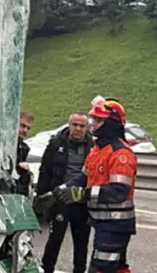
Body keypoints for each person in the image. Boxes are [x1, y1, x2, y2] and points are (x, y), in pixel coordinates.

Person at [34, 96, 137, 273]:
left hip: (115, 225)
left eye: (98, 120)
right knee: (117, 268)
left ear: (112, 123)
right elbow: (82, 178)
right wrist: (57, 193)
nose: (93, 124)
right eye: (94, 119)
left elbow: (119, 191)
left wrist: (83, 194)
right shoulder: (97, 150)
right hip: (103, 222)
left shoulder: (121, 154)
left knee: (101, 268)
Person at [37, 112, 93, 273]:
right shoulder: (55, 143)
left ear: (87, 128)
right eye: (75, 125)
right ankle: (47, 268)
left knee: (81, 241)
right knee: (55, 238)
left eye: (82, 126)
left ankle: (79, 270)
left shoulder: (93, 147)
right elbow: (45, 169)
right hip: (60, 198)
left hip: (81, 200)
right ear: (69, 125)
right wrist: (42, 194)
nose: (78, 128)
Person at [15, 111, 35, 196]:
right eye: (22, 126)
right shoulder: (0, 144)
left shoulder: (24, 149)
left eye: (28, 128)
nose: (25, 130)